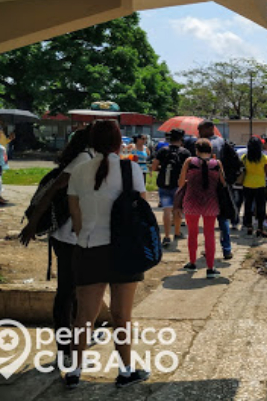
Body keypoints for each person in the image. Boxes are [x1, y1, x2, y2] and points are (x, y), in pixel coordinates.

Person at [66, 120, 148, 389]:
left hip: (89, 249)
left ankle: (75, 371)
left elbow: (75, 217)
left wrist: (87, 235)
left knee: (83, 316)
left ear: (91, 141)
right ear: (118, 141)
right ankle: (125, 371)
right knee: (121, 315)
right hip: (123, 251)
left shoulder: (78, 171)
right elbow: (142, 209)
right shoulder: (131, 168)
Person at [19, 126, 94, 361]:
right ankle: (65, 348)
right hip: (68, 236)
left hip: (72, 236)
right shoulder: (84, 158)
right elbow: (53, 189)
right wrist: (32, 225)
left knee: (73, 291)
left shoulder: (89, 156)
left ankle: (72, 340)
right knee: (67, 292)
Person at [178, 138, 225, 277]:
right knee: (209, 234)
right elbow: (223, 183)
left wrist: (189, 181)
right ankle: (210, 268)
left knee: (192, 233)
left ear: (196, 150)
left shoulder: (189, 162)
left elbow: (181, 183)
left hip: (191, 201)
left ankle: (192, 263)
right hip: (211, 202)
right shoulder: (217, 163)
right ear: (211, 151)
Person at [152, 128, 190, 247]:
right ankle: (177, 232)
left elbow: (153, 167)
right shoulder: (185, 152)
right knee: (177, 210)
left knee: (166, 210)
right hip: (178, 185)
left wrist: (161, 169)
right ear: (181, 139)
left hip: (164, 184)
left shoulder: (162, 150)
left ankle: (167, 236)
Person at [242, 137, 267, 237]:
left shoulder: (244, 157)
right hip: (260, 185)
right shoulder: (264, 158)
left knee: (248, 206)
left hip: (247, 184)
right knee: (260, 207)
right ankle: (260, 228)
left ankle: (249, 226)